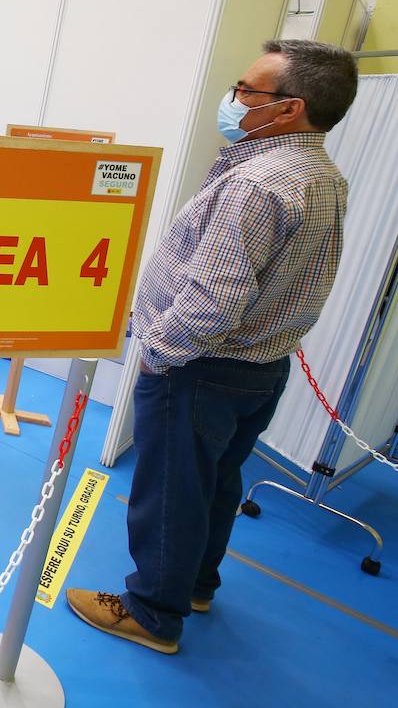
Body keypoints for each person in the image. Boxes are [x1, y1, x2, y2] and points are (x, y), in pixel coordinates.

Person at [66, 40, 358, 654]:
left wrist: (160, 352)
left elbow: (215, 298)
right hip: (260, 367)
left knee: (169, 490)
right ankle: (195, 584)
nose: (234, 100)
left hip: (200, 367)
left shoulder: (258, 182)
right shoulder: (323, 175)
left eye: (249, 90)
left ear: (289, 109)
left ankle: (151, 613)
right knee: (216, 483)